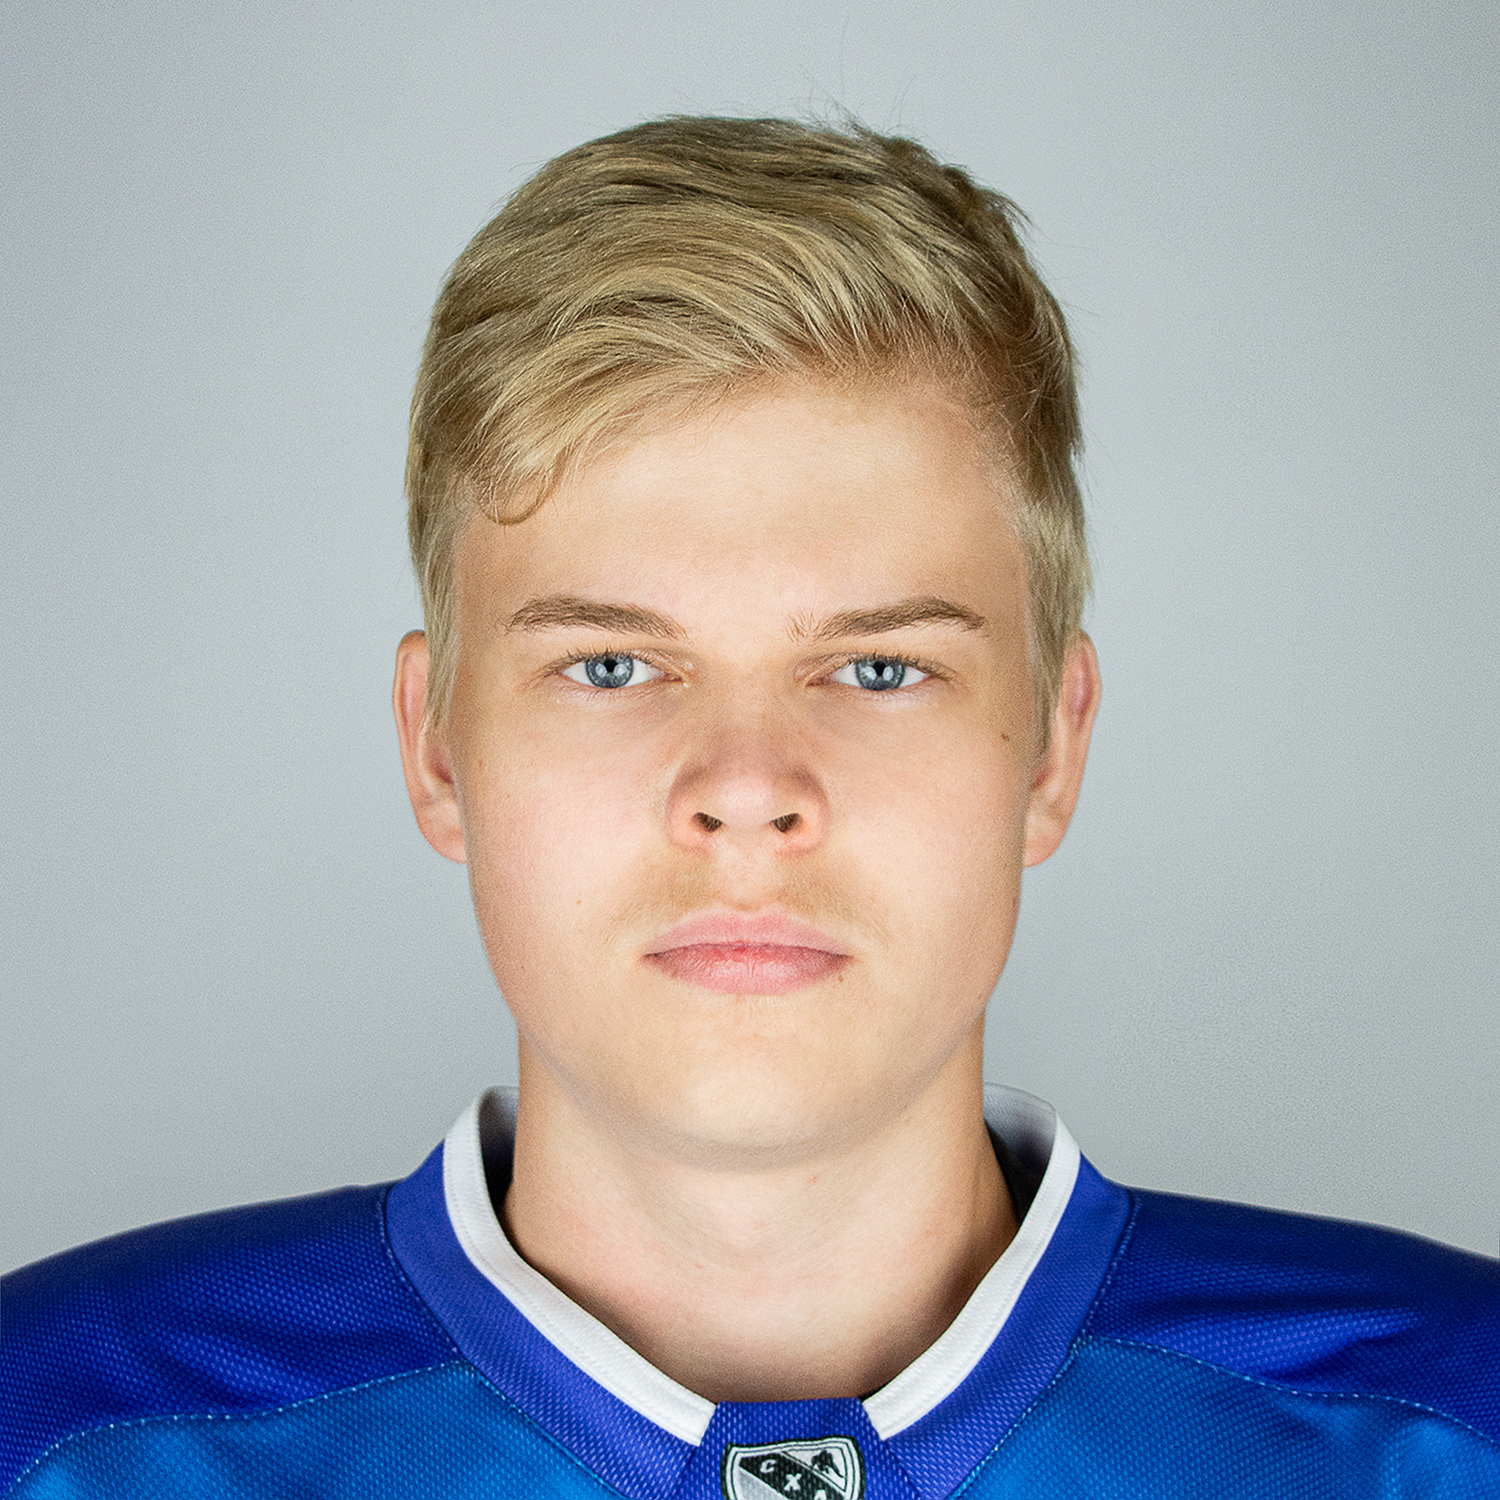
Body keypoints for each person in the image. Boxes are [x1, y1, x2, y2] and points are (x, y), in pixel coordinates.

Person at [2, 115, 1497, 1500]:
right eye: (610, 665)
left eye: (877, 667)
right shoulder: (58, 1433)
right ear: (437, 749)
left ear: (1050, 748)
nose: (745, 791)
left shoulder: (1447, 1426)